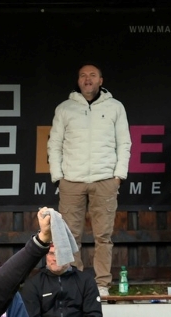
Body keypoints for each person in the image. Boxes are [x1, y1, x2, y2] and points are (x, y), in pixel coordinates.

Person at [49, 64, 129, 292]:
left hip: (105, 179)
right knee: (70, 236)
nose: (88, 79)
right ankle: (74, 284)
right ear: (78, 80)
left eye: (92, 75)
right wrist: (58, 177)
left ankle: (102, 284)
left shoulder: (115, 107)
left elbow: (124, 143)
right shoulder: (65, 108)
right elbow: (54, 144)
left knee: (103, 236)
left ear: (101, 81)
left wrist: (118, 176)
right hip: (71, 181)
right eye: (83, 75)